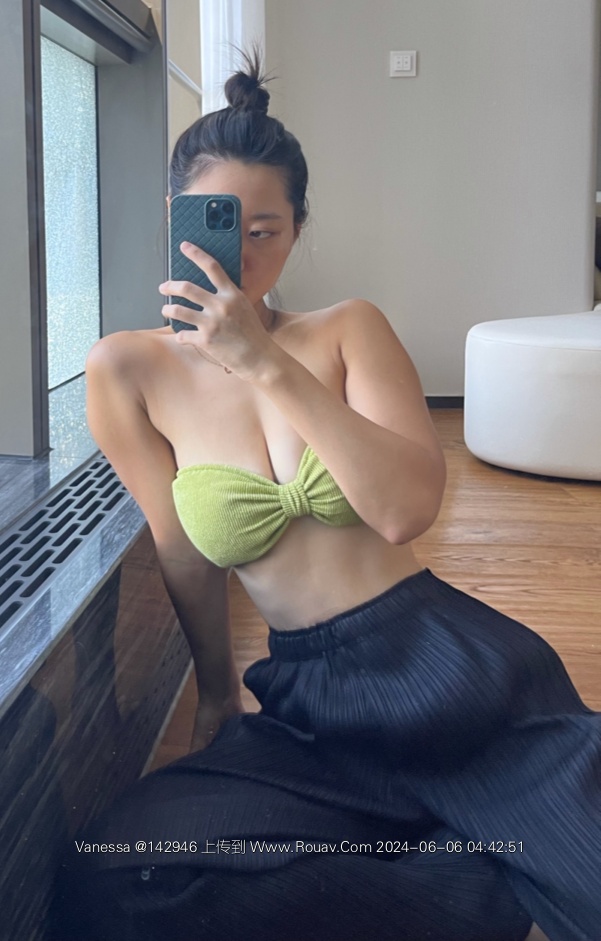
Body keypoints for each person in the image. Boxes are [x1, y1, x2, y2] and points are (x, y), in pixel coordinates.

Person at [51, 52, 599, 941]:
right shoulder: (125, 368)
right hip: (309, 706)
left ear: (298, 230)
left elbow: (404, 509)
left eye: (267, 229)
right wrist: (217, 695)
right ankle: (493, 875)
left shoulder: (348, 330)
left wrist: (264, 362)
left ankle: (519, 846)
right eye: (218, 223)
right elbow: (181, 549)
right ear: (174, 216)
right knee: (120, 876)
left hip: (444, 668)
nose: (242, 252)